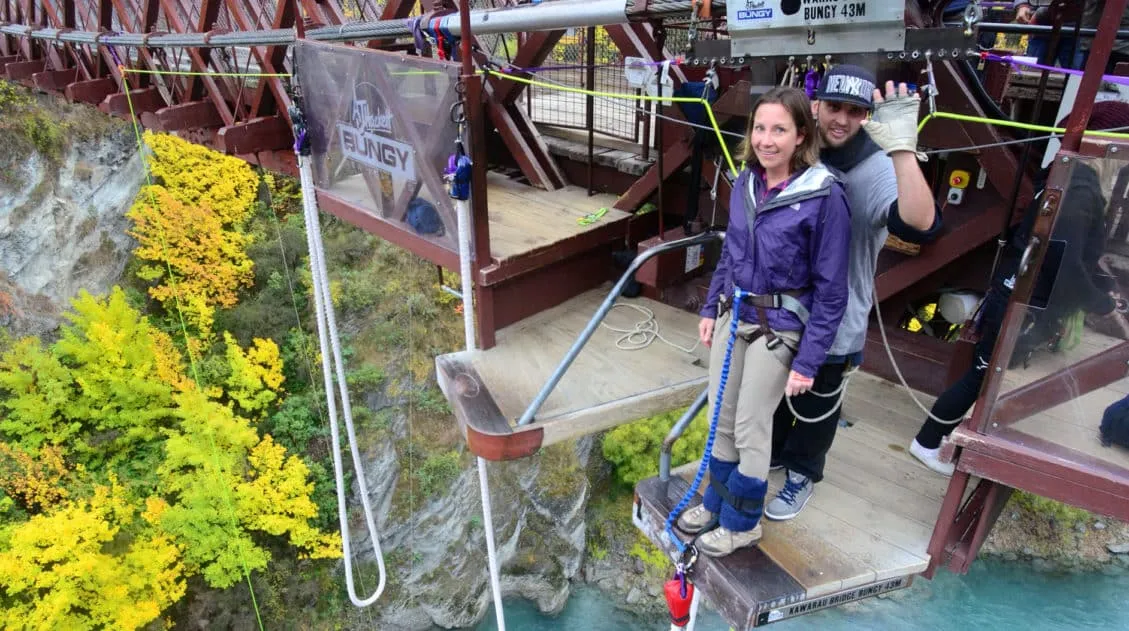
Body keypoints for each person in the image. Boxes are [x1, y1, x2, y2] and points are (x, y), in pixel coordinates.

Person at [674, 87, 851, 557]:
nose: (766, 140)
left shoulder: (823, 196)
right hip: (737, 314)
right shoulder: (747, 184)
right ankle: (716, 502)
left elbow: (832, 291)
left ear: (801, 137)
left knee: (753, 424)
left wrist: (809, 362)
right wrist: (711, 307)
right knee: (722, 417)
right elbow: (732, 252)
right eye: (759, 128)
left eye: (779, 130)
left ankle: (742, 522)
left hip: (781, 325)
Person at [911, 99, 1129, 475]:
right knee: (981, 375)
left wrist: (1100, 287)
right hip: (1022, 301)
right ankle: (926, 442)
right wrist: (1101, 304)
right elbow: (1062, 263)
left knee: (986, 375)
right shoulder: (1078, 189)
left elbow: (1064, 252)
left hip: (1018, 294)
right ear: (1106, 144)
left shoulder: (1064, 177)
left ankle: (947, 438)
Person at [764, 65, 943, 521]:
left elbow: (921, 225)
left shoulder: (877, 166)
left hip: (837, 314)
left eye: (855, 111)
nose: (841, 119)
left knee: (820, 403)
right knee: (778, 391)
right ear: (817, 106)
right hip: (784, 308)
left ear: (866, 116)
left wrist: (902, 149)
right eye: (834, 107)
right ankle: (778, 454)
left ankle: (803, 472)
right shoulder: (801, 154)